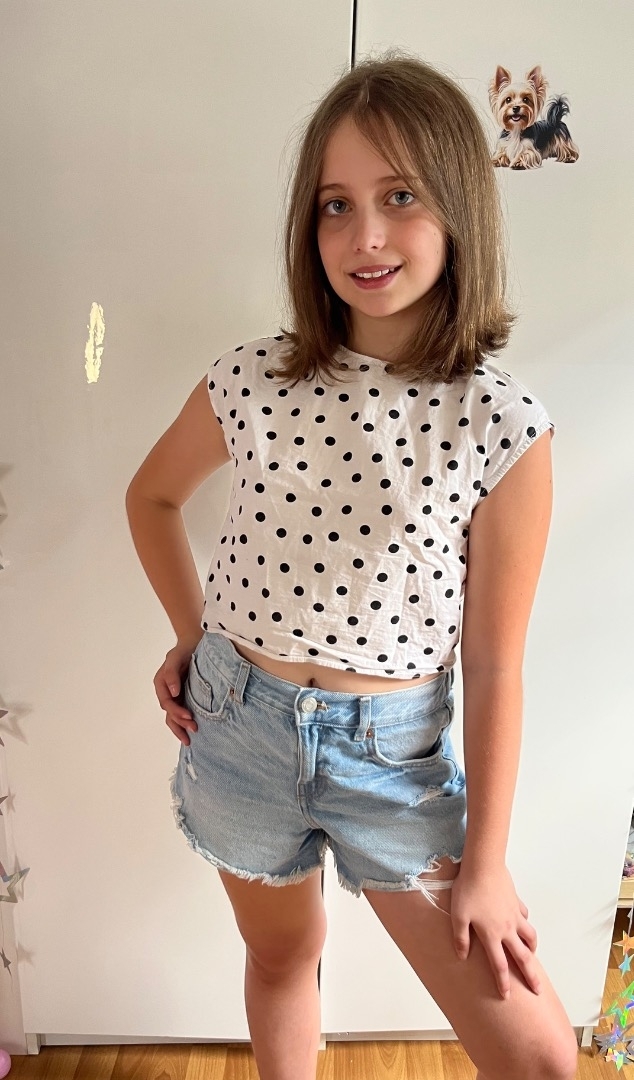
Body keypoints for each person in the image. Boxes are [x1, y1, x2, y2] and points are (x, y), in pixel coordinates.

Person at [125, 51, 578, 1080]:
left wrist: (487, 863)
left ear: (459, 209)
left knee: (540, 1058)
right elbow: (150, 498)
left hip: (393, 764)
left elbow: (494, 663)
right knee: (283, 956)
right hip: (237, 730)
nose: (364, 236)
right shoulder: (253, 378)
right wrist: (192, 636)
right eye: (336, 205)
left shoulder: (502, 427)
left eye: (400, 197)